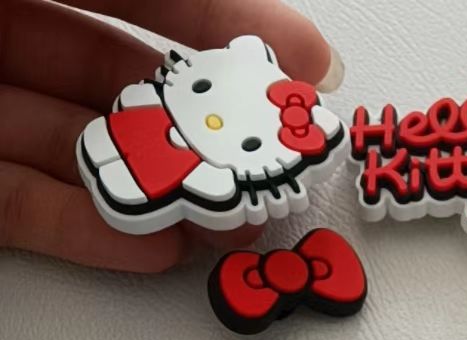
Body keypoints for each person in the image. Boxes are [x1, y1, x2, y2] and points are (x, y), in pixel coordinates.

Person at [0, 0, 343, 272]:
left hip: (172, 174)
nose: (214, 122)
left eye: (250, 144)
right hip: (138, 137)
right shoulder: (152, 105)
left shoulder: (215, 181)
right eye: (203, 87)